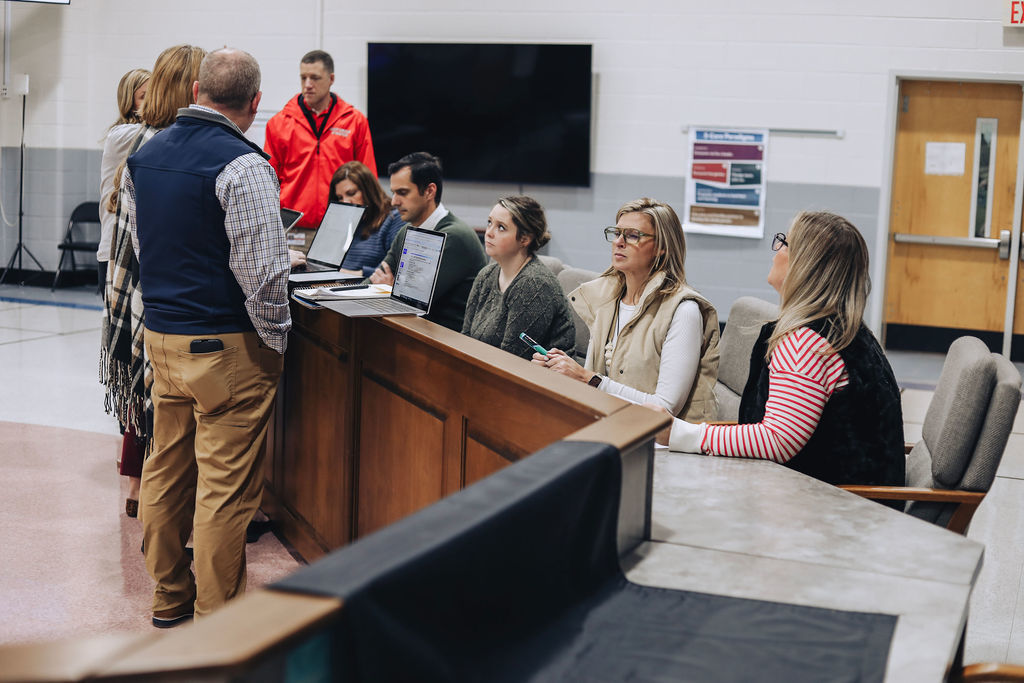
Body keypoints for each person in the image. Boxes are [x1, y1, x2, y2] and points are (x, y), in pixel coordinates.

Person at [124, 47, 290, 627]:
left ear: (196, 90)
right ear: (254, 102)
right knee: (224, 490)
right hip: (226, 348)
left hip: (164, 338)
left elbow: (143, 248)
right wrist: (275, 339)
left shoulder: (146, 155)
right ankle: (219, 623)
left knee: (165, 471)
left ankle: (169, 597)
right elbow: (263, 271)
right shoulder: (244, 164)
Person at [653, 211, 905, 488]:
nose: (777, 252)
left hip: (832, 511)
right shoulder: (848, 330)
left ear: (805, 265)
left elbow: (776, 441)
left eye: (785, 243)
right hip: (851, 503)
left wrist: (678, 433)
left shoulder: (805, 343)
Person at [101, 45, 205, 519]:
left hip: (140, 284)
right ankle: (151, 492)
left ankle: (145, 490)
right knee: (157, 400)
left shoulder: (148, 139)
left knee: (152, 395)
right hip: (153, 286)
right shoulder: (145, 141)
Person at [532, 198, 719, 422]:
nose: (619, 242)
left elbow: (665, 409)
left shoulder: (684, 310)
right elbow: (597, 381)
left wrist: (586, 377)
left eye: (632, 236)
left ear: (661, 248)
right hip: (603, 421)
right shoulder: (608, 299)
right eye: (617, 233)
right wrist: (561, 370)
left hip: (652, 440)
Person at [264, 49, 376, 248]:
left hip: (340, 228)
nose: (308, 85)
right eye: (303, 78)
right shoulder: (279, 123)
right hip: (294, 230)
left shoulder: (355, 122)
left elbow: (368, 177)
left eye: (315, 78)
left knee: (335, 280)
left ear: (331, 78)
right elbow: (269, 180)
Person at [369, 152, 487, 331]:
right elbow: (376, 279)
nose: (394, 202)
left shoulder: (454, 237)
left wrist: (388, 289)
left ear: (429, 191)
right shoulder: (406, 231)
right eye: (393, 193)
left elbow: (410, 302)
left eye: (402, 193)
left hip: (447, 341)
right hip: (416, 329)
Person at [462, 196, 575, 360]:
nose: (489, 232)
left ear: (524, 238)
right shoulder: (486, 275)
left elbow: (512, 360)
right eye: (489, 222)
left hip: (540, 379)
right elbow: (466, 338)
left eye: (501, 227)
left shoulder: (534, 284)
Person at [98, 68, 150, 274]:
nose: (152, 101)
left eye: (155, 95)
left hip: (138, 248)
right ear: (129, 103)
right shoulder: (122, 135)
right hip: (114, 250)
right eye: (144, 97)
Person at [329, 160, 403, 277]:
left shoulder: (393, 218)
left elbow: (395, 270)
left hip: (366, 288)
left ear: (368, 190)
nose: (345, 202)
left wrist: (348, 274)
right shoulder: (347, 220)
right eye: (340, 197)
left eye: (351, 193)